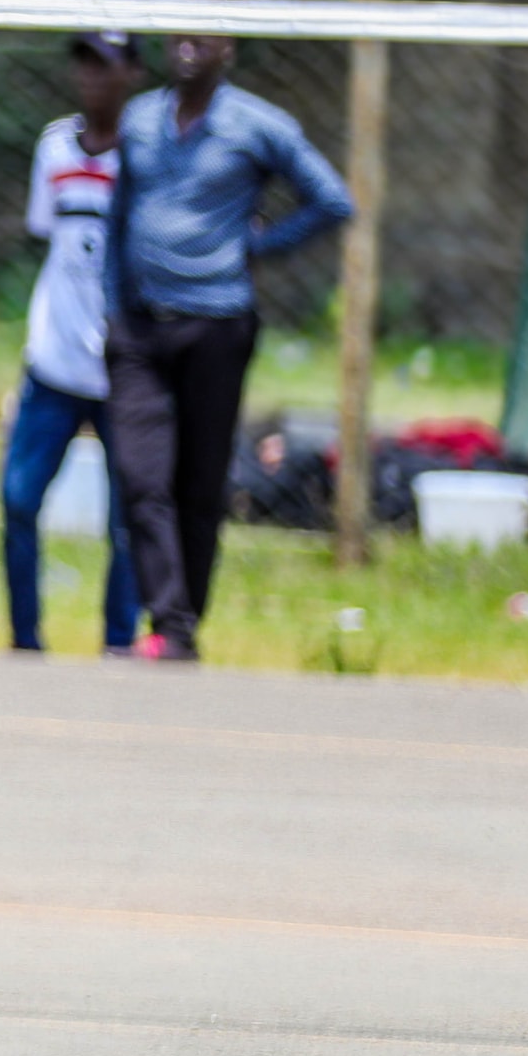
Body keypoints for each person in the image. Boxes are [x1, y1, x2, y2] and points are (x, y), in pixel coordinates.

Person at [107, 34, 352, 662]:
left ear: (229, 51)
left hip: (216, 323)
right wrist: (114, 307)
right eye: (179, 34)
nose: (187, 47)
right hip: (139, 327)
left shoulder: (258, 125)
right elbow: (119, 216)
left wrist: (256, 247)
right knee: (141, 475)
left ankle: (180, 629)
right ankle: (166, 615)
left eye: (204, 37)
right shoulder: (138, 119)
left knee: (200, 479)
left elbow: (331, 200)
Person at [4, 34, 141, 654]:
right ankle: (26, 639)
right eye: (84, 63)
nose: (92, 77)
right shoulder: (55, 145)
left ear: (133, 75)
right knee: (19, 498)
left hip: (125, 367)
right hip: (55, 358)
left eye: (107, 65)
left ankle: (119, 640)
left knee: (128, 519)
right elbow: (47, 232)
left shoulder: (146, 152)